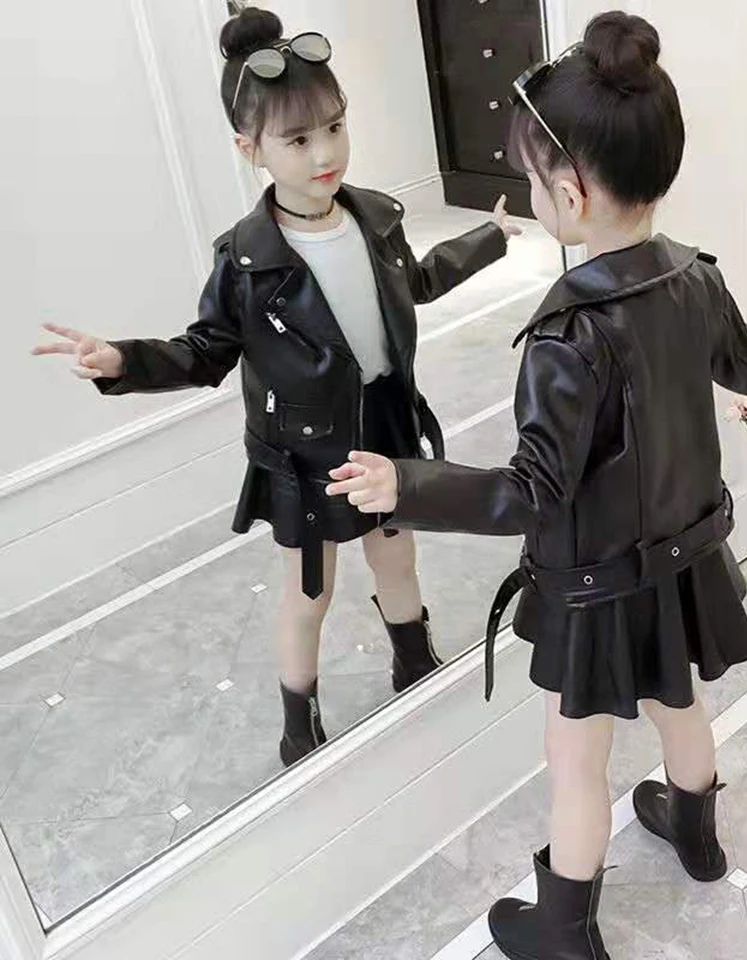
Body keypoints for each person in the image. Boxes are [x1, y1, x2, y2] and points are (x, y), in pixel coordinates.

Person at [326, 11, 747, 958]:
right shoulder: (695, 278)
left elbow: (529, 494)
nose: (531, 195)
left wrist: (406, 486)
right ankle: (697, 837)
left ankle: (564, 927)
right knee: (681, 700)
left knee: (576, 759)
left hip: (593, 587)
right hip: (685, 557)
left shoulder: (566, 336)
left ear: (571, 193)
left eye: (532, 180)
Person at [32, 6, 518, 769]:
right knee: (309, 592)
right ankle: (299, 718)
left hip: (385, 424)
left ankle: (412, 660)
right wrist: (123, 361)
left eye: (335, 127)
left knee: (396, 558)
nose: (325, 152)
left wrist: (488, 237)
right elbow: (205, 351)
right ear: (249, 148)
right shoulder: (246, 259)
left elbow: (417, 281)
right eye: (297, 139)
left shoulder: (373, 218)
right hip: (306, 450)